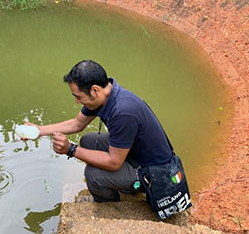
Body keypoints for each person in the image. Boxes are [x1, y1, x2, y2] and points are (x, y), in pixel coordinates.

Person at [28, 60, 173, 202]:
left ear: (95, 90)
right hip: (134, 153)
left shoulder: (123, 111)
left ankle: (111, 207)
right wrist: (39, 130)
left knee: (94, 175)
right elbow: (77, 123)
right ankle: (125, 185)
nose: (77, 102)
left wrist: (70, 149)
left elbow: (113, 162)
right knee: (88, 141)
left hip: (154, 172)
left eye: (78, 97)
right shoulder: (104, 96)